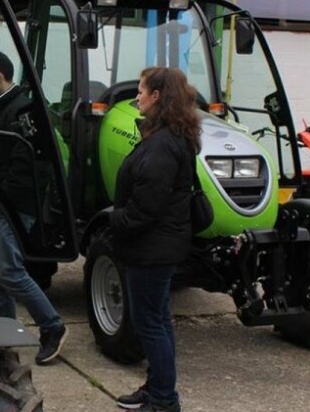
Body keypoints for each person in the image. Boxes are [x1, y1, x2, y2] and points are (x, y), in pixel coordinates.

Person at [110, 67, 201, 412]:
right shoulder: (168, 135)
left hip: (152, 247)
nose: (137, 96)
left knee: (150, 323)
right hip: (159, 244)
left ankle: (163, 400)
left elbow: (145, 208)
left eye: (141, 90)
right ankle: (158, 388)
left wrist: (112, 218)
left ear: (157, 96)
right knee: (158, 320)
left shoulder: (163, 143)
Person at [0, 51, 68, 365]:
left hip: (8, 206)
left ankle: (52, 326)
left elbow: (29, 166)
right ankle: (4, 333)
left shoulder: (21, 110)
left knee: (10, 272)